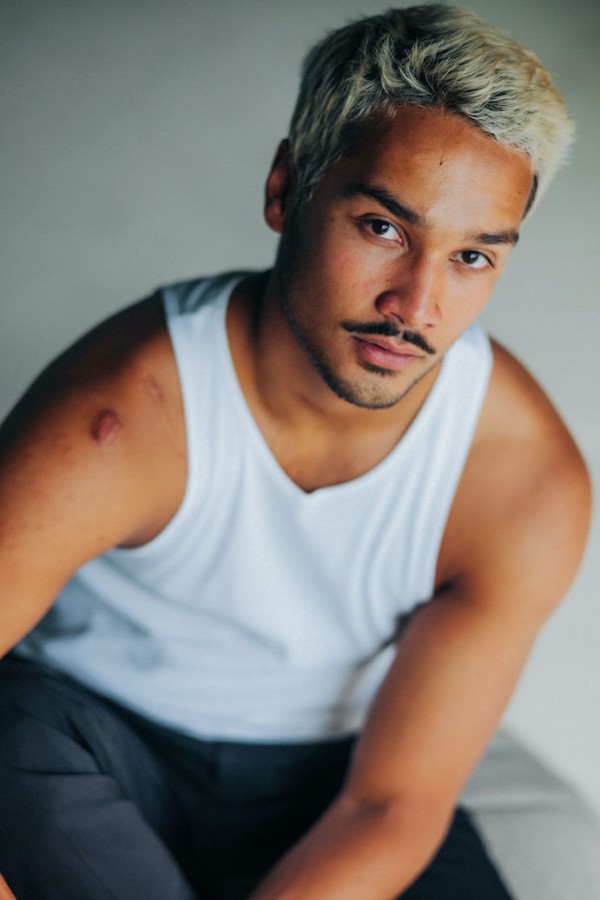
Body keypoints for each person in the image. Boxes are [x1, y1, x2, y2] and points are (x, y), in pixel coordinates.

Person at [0, 5, 591, 899]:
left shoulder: (521, 479)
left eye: (472, 257)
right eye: (383, 227)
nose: (415, 305)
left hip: (333, 780)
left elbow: (390, 804)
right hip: (88, 735)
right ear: (286, 191)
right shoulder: (123, 411)